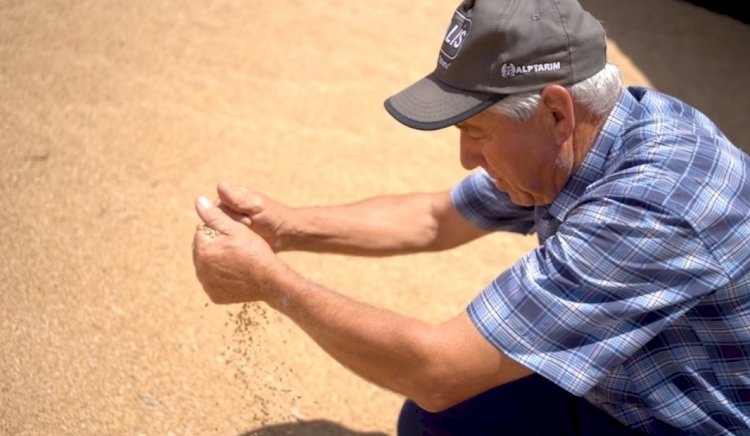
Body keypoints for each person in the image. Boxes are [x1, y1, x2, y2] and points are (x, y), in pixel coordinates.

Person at [192, 0, 750, 434]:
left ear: (556, 111)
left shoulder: (650, 209)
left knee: (445, 397)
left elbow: (436, 370)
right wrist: (285, 228)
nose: (467, 158)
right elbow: (437, 218)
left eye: (477, 132)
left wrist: (270, 283)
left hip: (693, 422)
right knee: (445, 422)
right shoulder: (593, 132)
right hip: (630, 388)